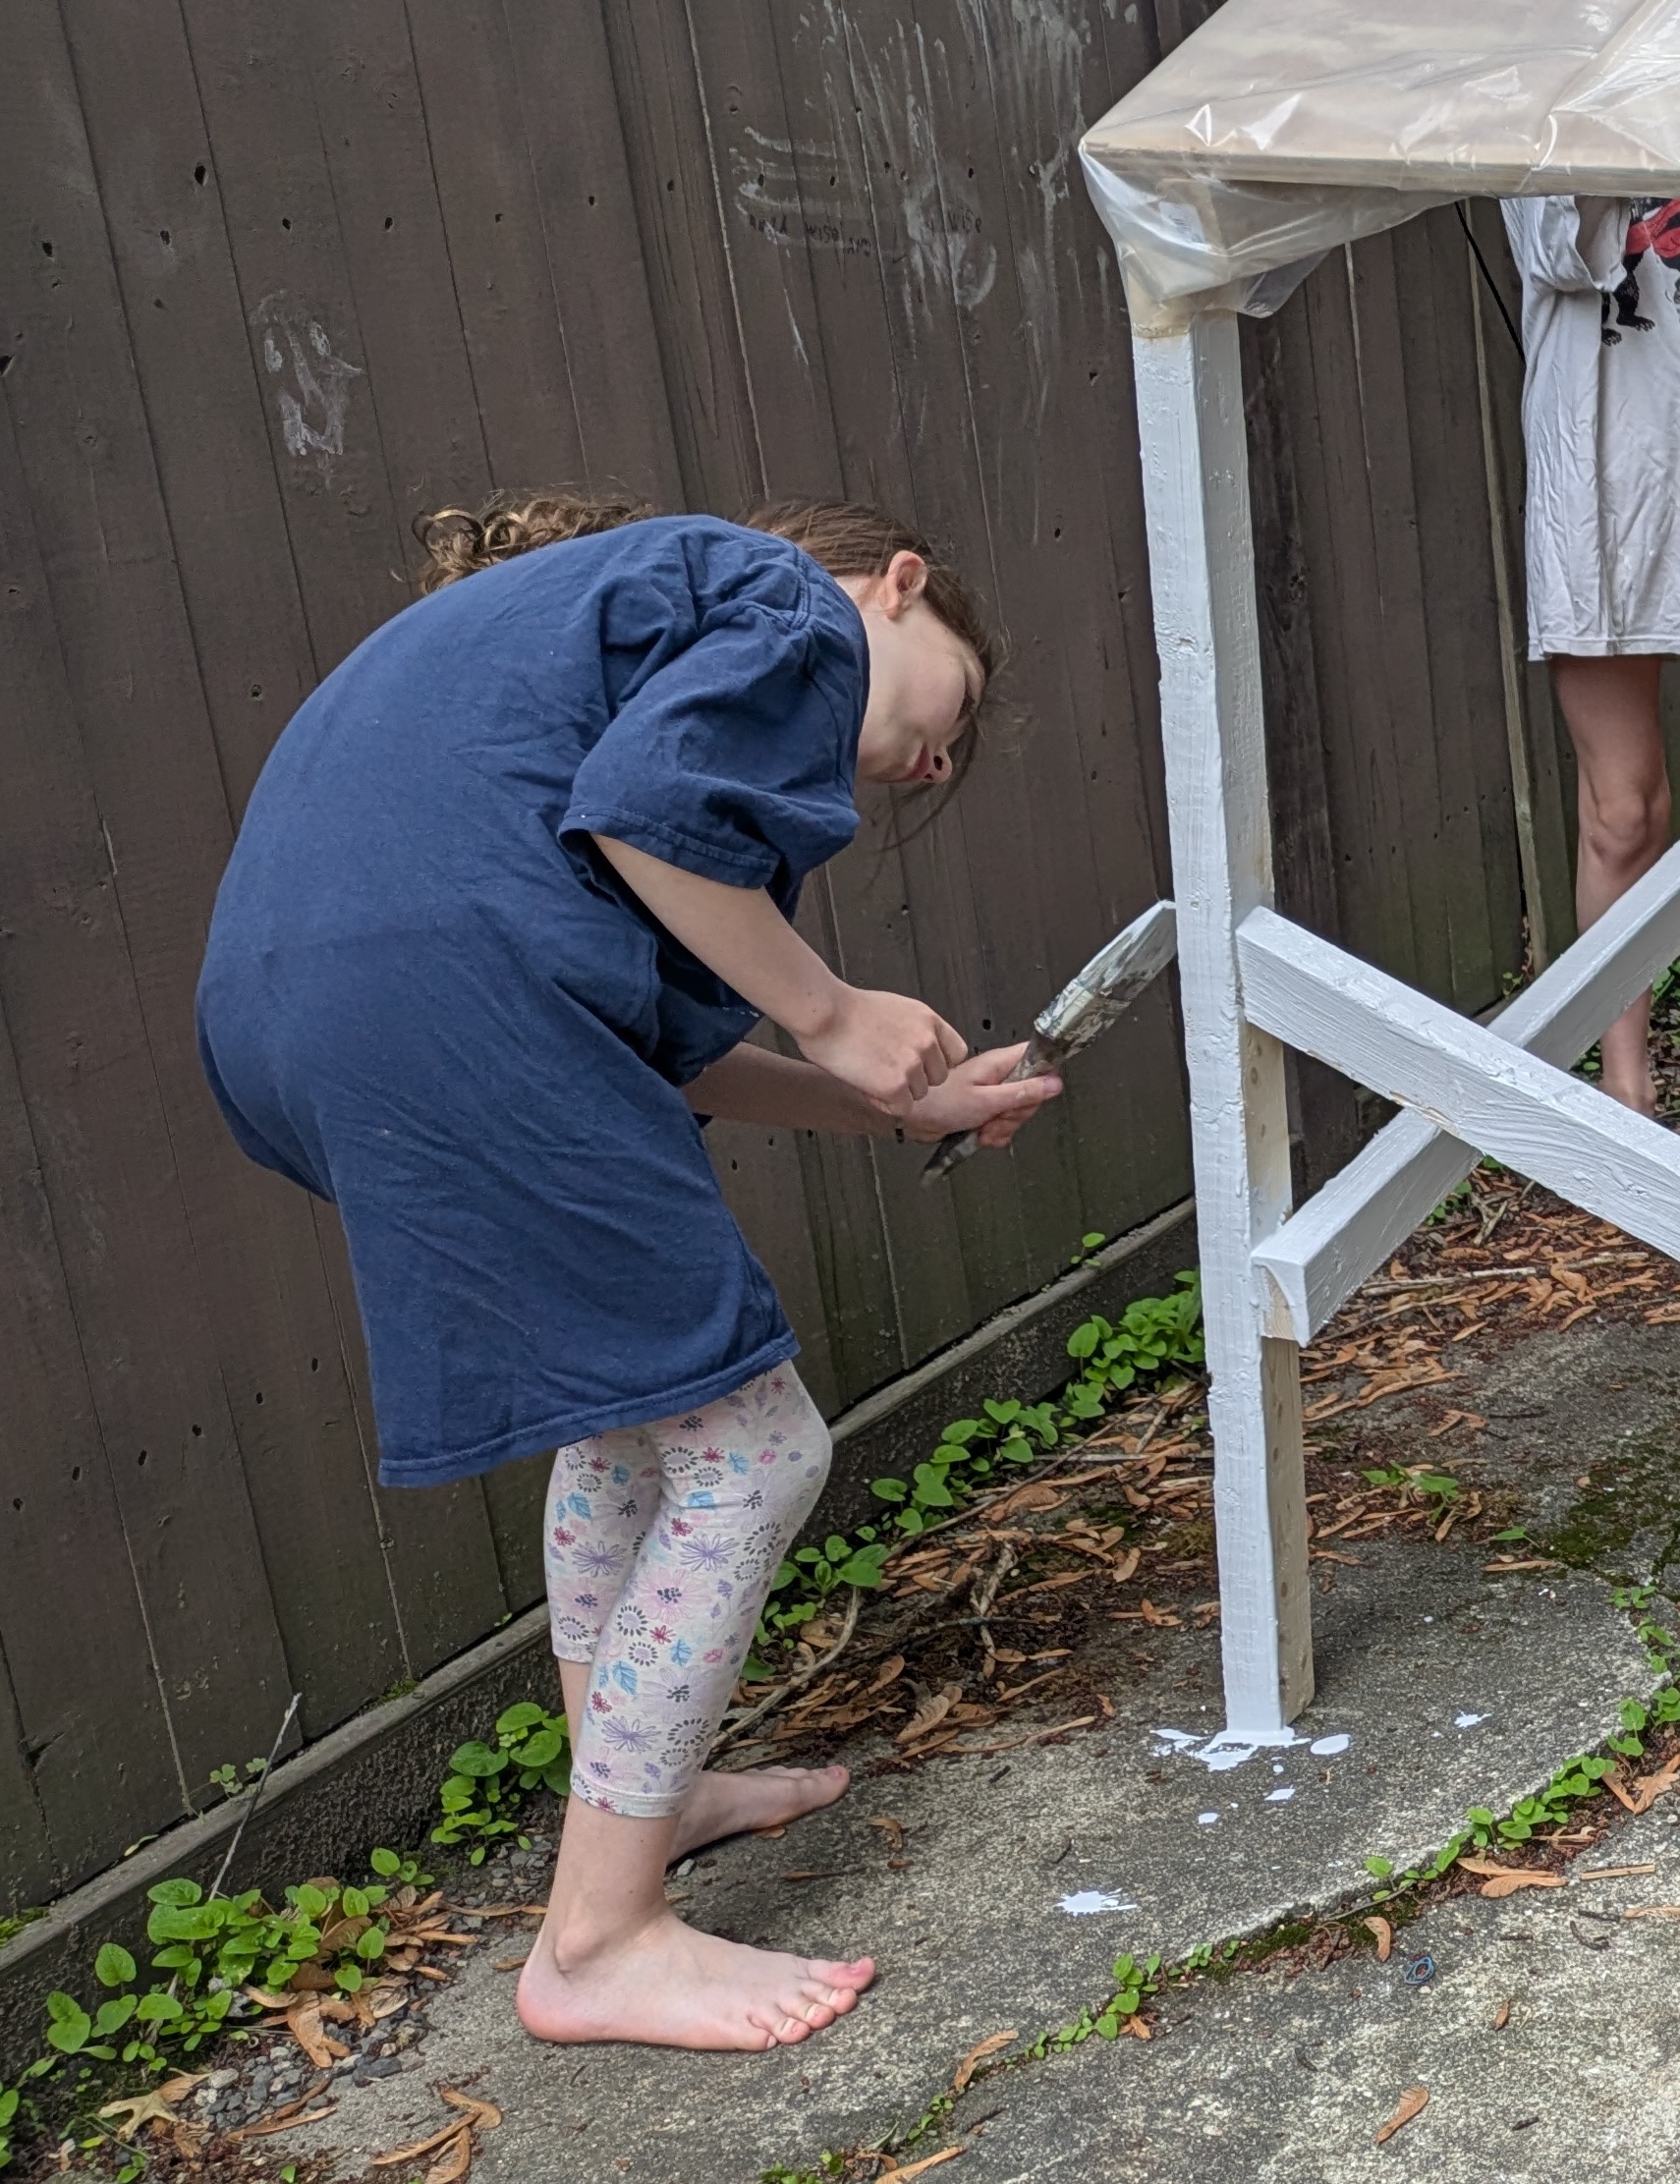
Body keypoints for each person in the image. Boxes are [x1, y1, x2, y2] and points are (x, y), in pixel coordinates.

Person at [197, 496, 1061, 2052]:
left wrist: (896, 1100)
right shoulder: (785, 600)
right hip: (446, 984)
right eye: (960, 698)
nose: (940, 762)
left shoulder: (606, 674)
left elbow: (660, 1045)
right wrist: (832, 1007)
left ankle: (640, 1795)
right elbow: (648, 820)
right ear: (896, 585)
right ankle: (597, 1939)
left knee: (635, 1413)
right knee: (754, 1448)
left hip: (316, 1011)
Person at [1504, 194, 1680, 1184]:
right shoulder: (1540, 116)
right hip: (1596, 483)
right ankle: (1623, 1094)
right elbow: (1561, 253)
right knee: (1619, 812)